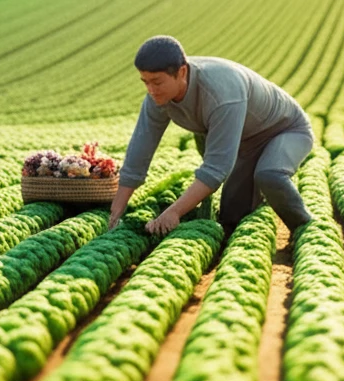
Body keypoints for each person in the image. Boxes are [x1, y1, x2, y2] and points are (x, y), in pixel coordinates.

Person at [109, 35, 314, 237]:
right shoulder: (157, 97)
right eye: (145, 82)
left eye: (157, 82)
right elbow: (141, 148)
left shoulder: (221, 93)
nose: (151, 90)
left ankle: (304, 228)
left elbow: (217, 168)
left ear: (182, 72)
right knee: (231, 217)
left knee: (269, 175)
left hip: (285, 130)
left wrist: (174, 212)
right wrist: (116, 210)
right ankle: (254, 195)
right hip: (243, 142)